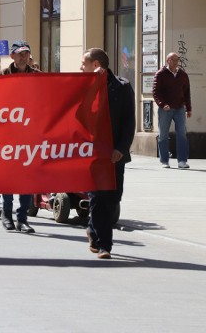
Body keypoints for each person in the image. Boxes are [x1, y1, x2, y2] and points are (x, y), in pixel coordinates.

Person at [80, 47, 135, 259]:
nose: (80, 67)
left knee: (113, 198)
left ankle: (93, 229)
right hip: (93, 152)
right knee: (97, 196)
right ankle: (105, 245)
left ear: (96, 65)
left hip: (115, 153)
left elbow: (129, 121)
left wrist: (121, 149)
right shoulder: (83, 87)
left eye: (83, 64)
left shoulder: (122, 87)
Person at [0, 41, 38, 234]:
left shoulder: (38, 77)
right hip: (7, 136)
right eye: (20, 54)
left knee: (27, 179)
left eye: (26, 54)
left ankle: (23, 218)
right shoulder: (1, 76)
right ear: (12, 56)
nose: (23, 57)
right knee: (8, 178)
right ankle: (7, 215)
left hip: (29, 136)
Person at [153, 52, 192, 169]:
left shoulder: (183, 75)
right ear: (168, 61)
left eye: (177, 60)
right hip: (165, 109)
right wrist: (162, 104)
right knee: (163, 135)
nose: (176, 62)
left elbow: (187, 93)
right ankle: (164, 160)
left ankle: (182, 161)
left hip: (179, 108)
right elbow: (156, 92)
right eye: (174, 60)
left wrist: (188, 108)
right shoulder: (160, 74)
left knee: (182, 134)